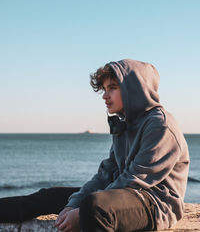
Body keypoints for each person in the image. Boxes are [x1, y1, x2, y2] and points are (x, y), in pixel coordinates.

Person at [0, 59, 189, 232]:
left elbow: (136, 179)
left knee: (95, 206)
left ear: (135, 89)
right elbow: (106, 174)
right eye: (104, 89)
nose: (105, 96)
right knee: (48, 195)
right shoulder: (124, 124)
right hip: (121, 194)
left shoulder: (160, 124)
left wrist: (81, 211)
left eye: (112, 88)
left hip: (155, 203)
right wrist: (73, 204)